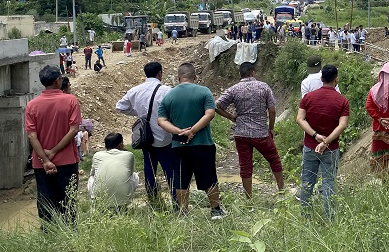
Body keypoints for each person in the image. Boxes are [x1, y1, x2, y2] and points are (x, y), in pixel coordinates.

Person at [157, 63, 227, 220]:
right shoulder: (204, 92)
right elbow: (210, 113)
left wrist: (179, 131)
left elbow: (161, 120)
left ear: (178, 77)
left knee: (181, 179)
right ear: (195, 76)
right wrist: (193, 130)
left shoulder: (169, 95)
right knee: (209, 177)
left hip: (178, 145)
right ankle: (215, 210)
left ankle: (183, 211)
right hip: (203, 144)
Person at [25, 65, 82, 227]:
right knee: (68, 200)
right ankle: (69, 233)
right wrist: (54, 151)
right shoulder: (70, 100)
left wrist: (44, 158)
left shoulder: (32, 105)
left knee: (45, 199)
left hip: (41, 164)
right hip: (67, 161)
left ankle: (48, 234)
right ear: (57, 81)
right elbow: (74, 130)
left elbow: (31, 135)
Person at [216, 62, 283, 197]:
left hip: (241, 133)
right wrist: (271, 129)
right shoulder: (263, 87)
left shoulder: (234, 89)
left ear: (240, 74)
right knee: (274, 160)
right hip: (261, 132)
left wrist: (231, 117)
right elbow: (272, 110)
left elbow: (216, 105)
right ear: (253, 72)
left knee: (245, 165)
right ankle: (282, 191)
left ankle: (249, 198)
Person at [116, 62, 174, 206]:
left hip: (146, 137)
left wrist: (138, 112)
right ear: (159, 73)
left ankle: (154, 200)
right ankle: (176, 200)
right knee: (170, 170)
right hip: (165, 136)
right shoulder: (167, 90)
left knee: (149, 169)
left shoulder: (135, 90)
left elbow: (120, 107)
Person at [297, 65, 349, 219]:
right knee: (328, 183)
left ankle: (305, 217)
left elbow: (299, 119)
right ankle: (330, 218)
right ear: (336, 79)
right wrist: (326, 142)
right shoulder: (342, 101)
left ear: (321, 79)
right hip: (331, 148)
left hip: (310, 147)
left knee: (307, 182)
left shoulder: (308, 98)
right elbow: (342, 125)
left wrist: (315, 135)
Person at [88, 133, 139, 209]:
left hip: (101, 199)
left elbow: (92, 174)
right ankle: (126, 201)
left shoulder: (97, 155)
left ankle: (95, 200)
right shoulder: (129, 155)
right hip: (123, 200)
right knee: (135, 176)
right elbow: (131, 173)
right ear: (120, 144)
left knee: (91, 178)